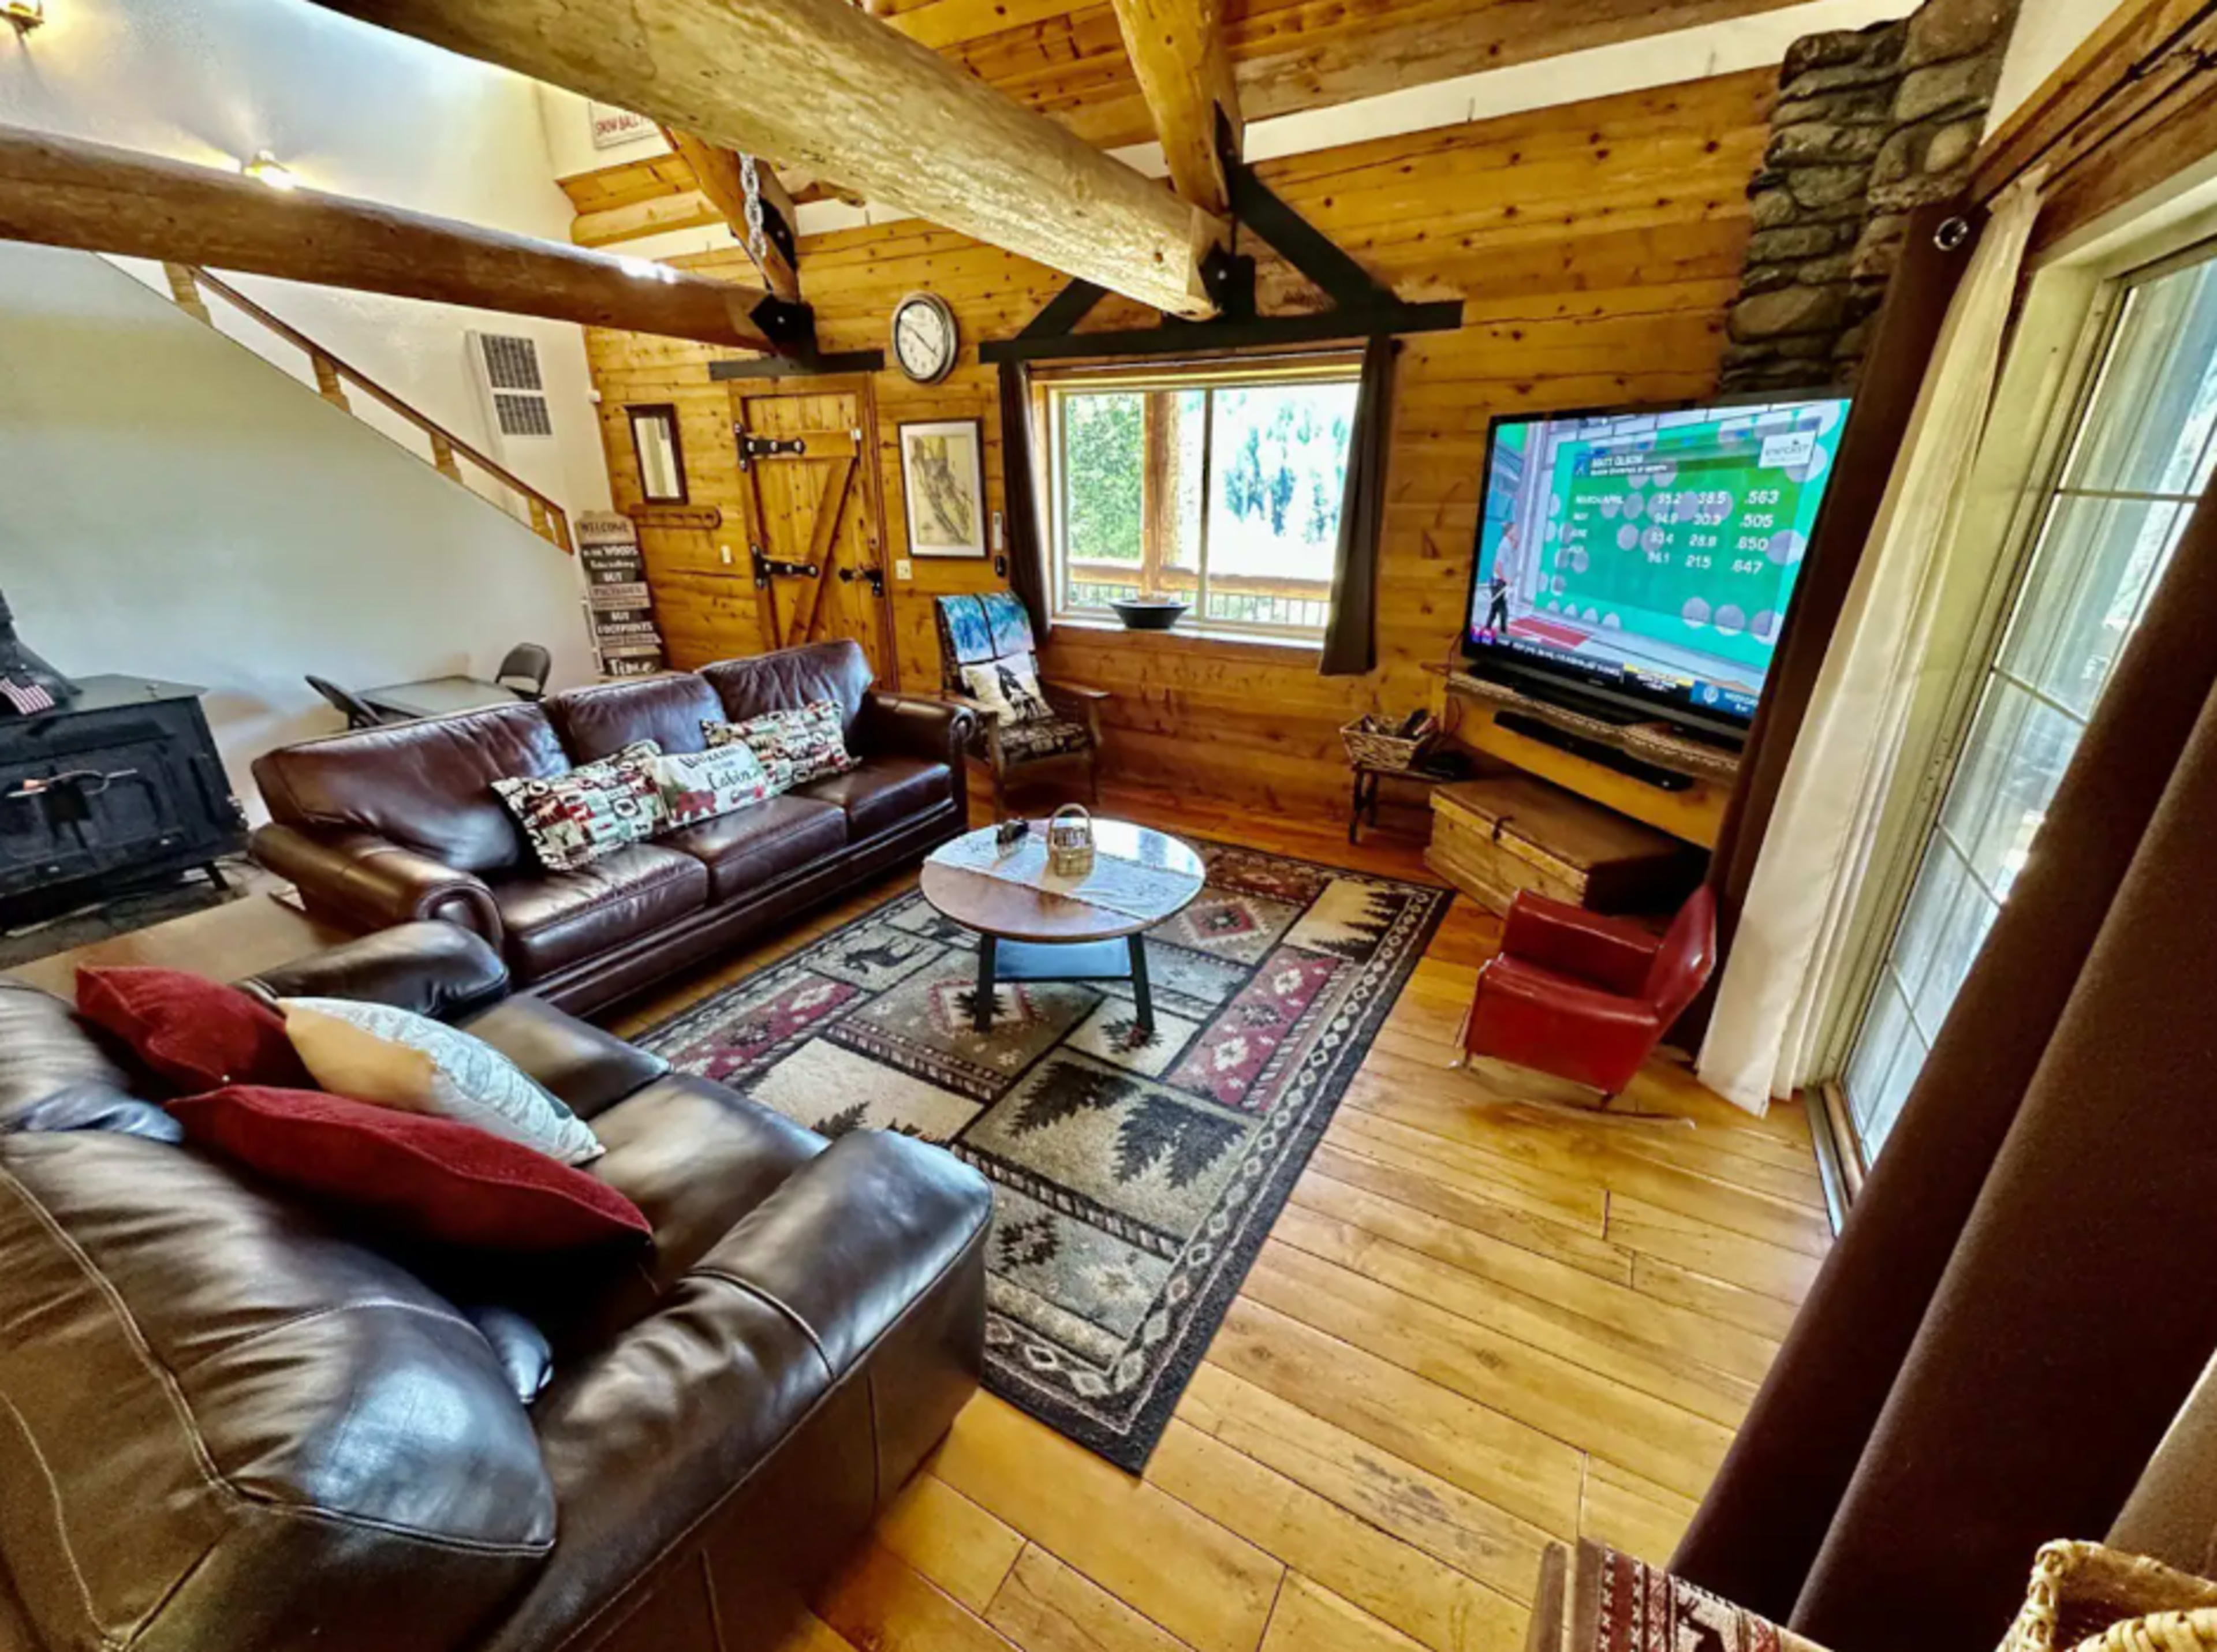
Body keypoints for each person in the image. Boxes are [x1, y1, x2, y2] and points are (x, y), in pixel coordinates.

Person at [1483, 524, 1518, 634]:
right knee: (1503, 610)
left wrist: (1515, 545)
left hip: (1500, 582)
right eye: (1515, 530)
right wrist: (1506, 579)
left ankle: (1487, 629)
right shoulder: (1504, 546)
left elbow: (1510, 554)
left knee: (1495, 609)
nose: (1517, 533)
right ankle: (1504, 633)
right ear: (1509, 532)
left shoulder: (1508, 544)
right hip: (1498, 583)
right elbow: (1497, 567)